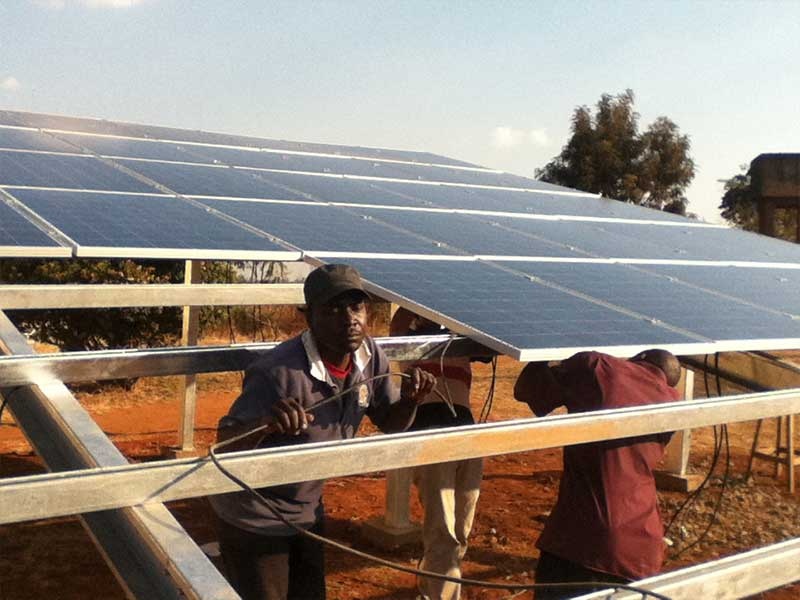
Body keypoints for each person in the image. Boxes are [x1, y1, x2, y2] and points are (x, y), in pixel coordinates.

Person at [209, 263, 436, 600]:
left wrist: (411, 401)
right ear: (309, 318)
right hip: (255, 516)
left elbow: (390, 421)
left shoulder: (370, 356)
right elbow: (224, 447)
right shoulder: (278, 372)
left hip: (306, 509)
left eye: (356, 306)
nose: (349, 319)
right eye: (333, 309)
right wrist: (265, 424)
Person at [513, 349, 682, 600]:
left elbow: (528, 390)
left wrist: (542, 349)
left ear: (640, 356)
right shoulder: (673, 403)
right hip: (643, 549)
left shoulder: (597, 367)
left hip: (583, 543)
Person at [390, 308, 487, 600]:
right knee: (442, 529)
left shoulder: (456, 341)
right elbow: (399, 320)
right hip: (432, 437)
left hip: (467, 436)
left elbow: (488, 344)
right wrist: (419, 298)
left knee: (461, 527)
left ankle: (430, 590)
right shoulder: (408, 341)